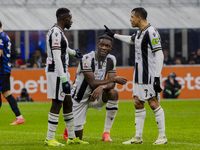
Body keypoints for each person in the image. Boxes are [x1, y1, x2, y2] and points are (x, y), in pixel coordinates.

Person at [104, 7, 167, 145]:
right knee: (138, 103)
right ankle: (138, 137)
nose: (130, 19)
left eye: (132, 17)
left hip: (149, 75)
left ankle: (162, 136)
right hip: (138, 75)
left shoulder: (151, 32)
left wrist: (157, 77)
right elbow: (131, 40)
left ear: (139, 18)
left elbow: (159, 54)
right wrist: (113, 35)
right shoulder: (139, 33)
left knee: (152, 102)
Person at [63, 34, 127, 142]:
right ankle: (70, 126)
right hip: (79, 98)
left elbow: (111, 85)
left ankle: (106, 133)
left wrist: (102, 86)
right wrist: (114, 79)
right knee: (77, 139)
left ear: (111, 48)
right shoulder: (86, 58)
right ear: (97, 45)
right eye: (102, 45)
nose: (104, 48)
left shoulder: (112, 59)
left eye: (107, 46)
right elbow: (92, 83)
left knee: (113, 93)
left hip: (95, 96)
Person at [44, 8, 88, 146]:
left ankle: (71, 137)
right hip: (57, 72)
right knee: (57, 103)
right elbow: (57, 57)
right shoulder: (56, 33)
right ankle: (49, 138)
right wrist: (63, 79)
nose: (72, 21)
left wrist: (73, 53)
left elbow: (62, 49)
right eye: (70, 18)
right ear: (63, 18)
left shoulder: (58, 32)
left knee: (68, 103)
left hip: (61, 72)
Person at [0, 20, 25, 125]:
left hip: (1, 69)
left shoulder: (0, 37)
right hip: (4, 68)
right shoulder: (5, 36)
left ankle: (19, 117)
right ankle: (19, 117)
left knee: (6, 92)